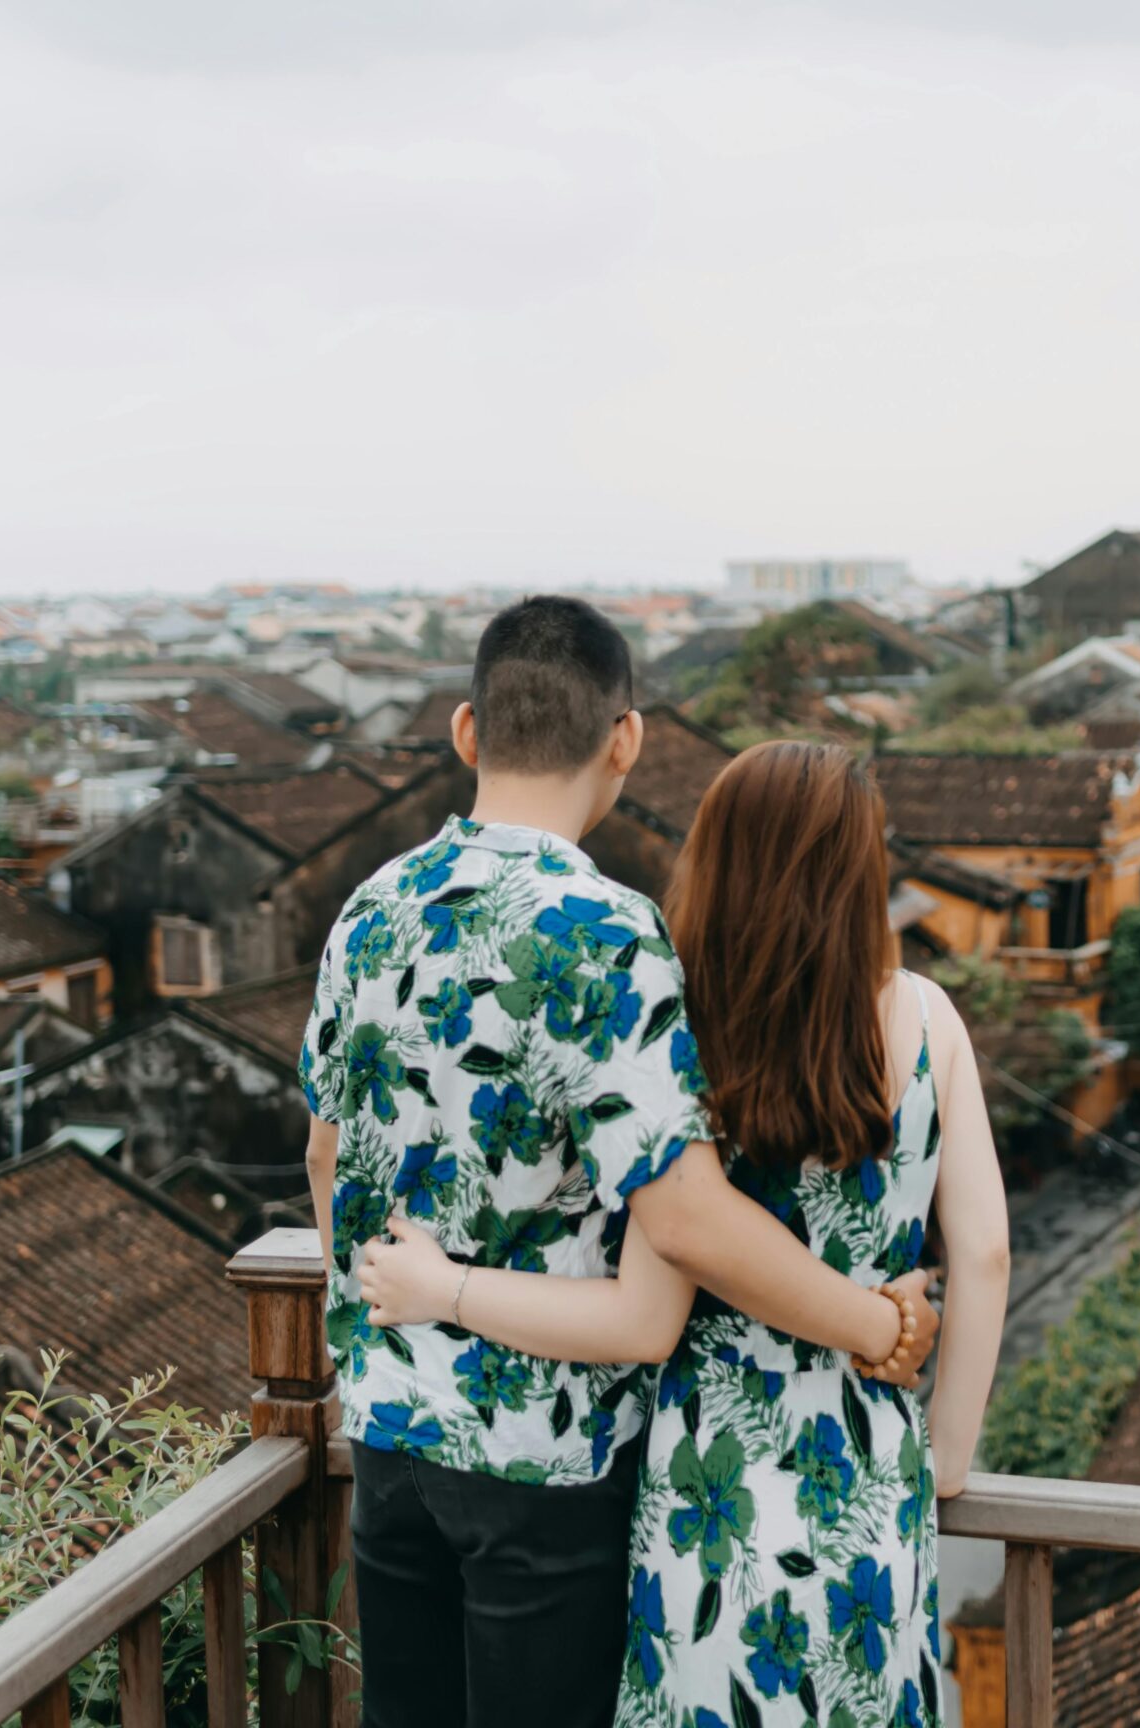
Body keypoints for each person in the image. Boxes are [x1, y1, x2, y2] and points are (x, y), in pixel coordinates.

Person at [300, 599, 943, 1728]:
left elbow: (323, 1153)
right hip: (543, 1464)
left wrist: (388, 1322)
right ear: (626, 739)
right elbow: (684, 1217)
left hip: (389, 1436)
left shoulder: (368, 911)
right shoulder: (606, 932)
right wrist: (873, 1324)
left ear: (465, 731)